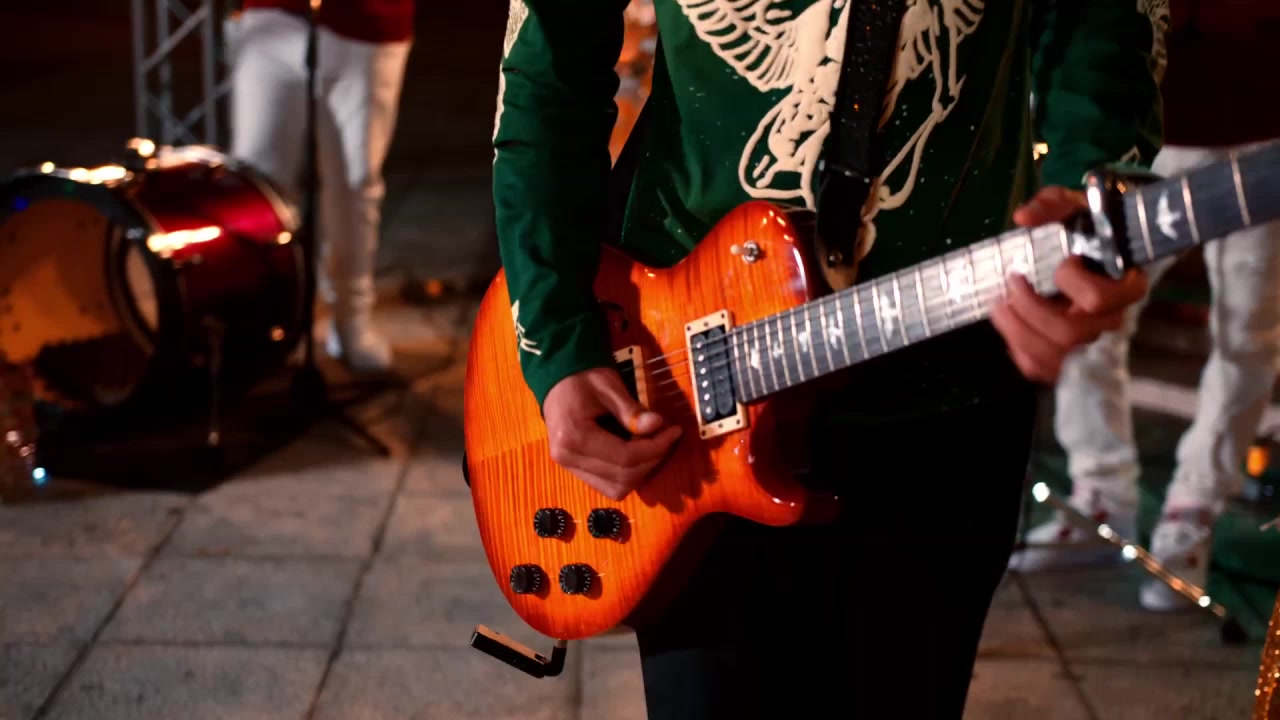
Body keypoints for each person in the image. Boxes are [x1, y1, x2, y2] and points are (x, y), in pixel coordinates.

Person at [492, 1, 1163, 716]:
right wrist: (556, 340)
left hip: (948, 366)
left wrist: (1089, 191)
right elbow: (548, 71)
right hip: (691, 361)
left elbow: (1104, 23)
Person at [1009, 0, 1280, 611]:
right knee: (1088, 311)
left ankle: (1194, 511)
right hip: (1156, 130)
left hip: (1266, 129)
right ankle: (1101, 494)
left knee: (1248, 333)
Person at [226, 0, 414, 373]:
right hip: (270, 18)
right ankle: (267, 317)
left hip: (367, 26)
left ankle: (351, 319)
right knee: (257, 187)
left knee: (354, 184)